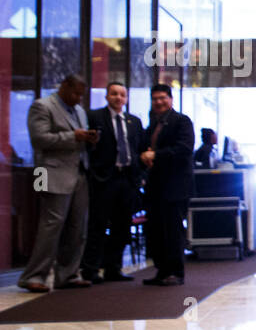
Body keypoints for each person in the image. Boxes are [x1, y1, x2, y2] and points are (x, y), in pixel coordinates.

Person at [17, 74, 97, 293]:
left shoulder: (79, 110)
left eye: (81, 95)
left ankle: (68, 274)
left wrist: (88, 139)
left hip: (79, 172)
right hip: (47, 172)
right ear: (63, 86)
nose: (78, 99)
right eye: (75, 93)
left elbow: (78, 138)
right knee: (50, 226)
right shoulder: (42, 106)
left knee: (77, 227)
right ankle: (34, 275)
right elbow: (39, 140)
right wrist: (73, 136)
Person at [82, 81, 145, 283]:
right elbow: (87, 147)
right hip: (104, 179)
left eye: (122, 95)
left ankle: (113, 268)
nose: (118, 98)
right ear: (107, 96)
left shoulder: (134, 121)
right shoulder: (94, 117)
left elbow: (139, 149)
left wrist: (139, 177)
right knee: (98, 225)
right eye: (114, 94)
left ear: (126, 99)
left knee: (122, 226)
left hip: (126, 179)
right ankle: (90, 269)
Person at [141, 83, 195, 286]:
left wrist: (156, 155)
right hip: (156, 186)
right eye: (155, 99)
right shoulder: (153, 123)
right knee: (156, 230)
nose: (159, 102)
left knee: (172, 230)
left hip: (176, 187)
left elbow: (184, 149)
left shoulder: (181, 121)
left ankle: (175, 272)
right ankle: (162, 270)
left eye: (163, 98)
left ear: (170, 99)